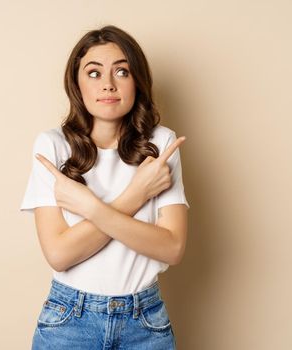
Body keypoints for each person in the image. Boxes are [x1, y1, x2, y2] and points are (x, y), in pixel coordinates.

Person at [20, 24, 189, 349]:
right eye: (94, 73)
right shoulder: (53, 146)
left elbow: (172, 248)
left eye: (122, 72)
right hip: (69, 320)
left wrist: (89, 207)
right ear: (77, 82)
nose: (108, 85)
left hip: (145, 321)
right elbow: (59, 254)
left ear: (137, 81)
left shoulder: (160, 143)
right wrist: (136, 195)